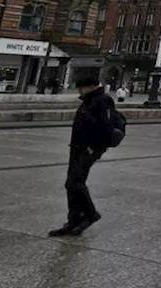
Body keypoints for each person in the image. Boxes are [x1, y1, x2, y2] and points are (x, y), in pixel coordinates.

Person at [48, 77, 116, 237]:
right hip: (77, 147)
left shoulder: (103, 100)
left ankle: (90, 214)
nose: (79, 91)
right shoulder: (88, 100)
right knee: (70, 184)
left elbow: (106, 127)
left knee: (75, 182)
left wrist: (94, 148)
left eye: (81, 87)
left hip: (89, 149)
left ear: (91, 87)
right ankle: (74, 220)